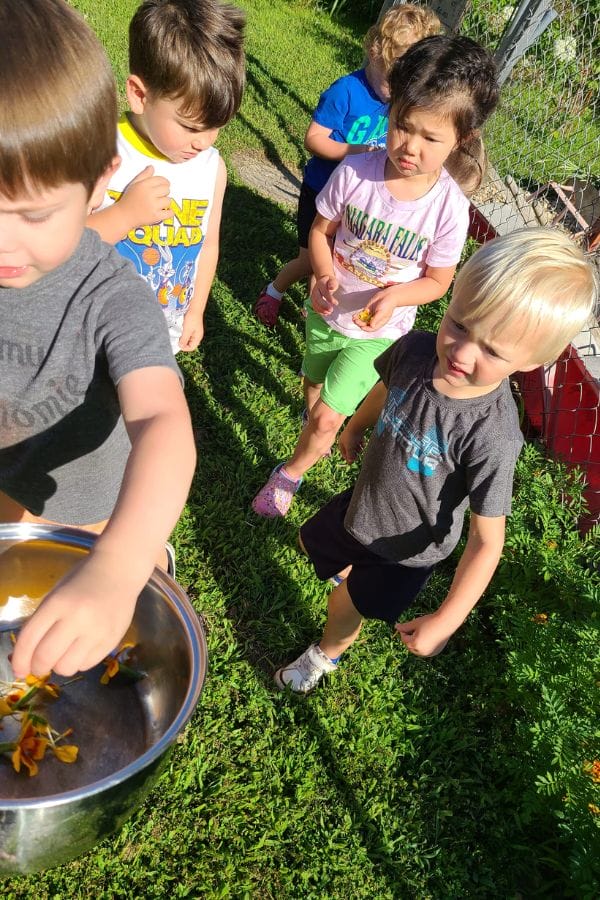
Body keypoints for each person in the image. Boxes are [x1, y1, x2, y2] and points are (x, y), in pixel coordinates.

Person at [273, 228, 598, 692]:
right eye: (460, 324)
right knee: (310, 544)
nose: (461, 352)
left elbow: (487, 541)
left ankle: (325, 654)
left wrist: (446, 620)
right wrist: (357, 426)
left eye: (492, 350)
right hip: (361, 505)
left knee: (343, 607)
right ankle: (347, 573)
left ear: (532, 361)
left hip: (407, 553)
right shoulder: (415, 350)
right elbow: (386, 387)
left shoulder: (493, 434)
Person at [0, 0, 196, 679]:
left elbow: (164, 422)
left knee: (89, 651)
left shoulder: (111, 297)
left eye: (34, 215)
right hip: (10, 486)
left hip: (92, 514)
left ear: (98, 180)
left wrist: (119, 564)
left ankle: (151, 560)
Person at [252, 34, 499, 518]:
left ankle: (290, 473)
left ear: (462, 138)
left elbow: (438, 281)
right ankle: (314, 416)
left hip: (377, 332)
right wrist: (323, 272)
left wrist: (395, 298)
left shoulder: (449, 210)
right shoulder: (355, 172)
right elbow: (321, 231)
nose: (409, 147)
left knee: (328, 418)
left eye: (430, 138)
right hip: (327, 311)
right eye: (402, 126)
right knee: (313, 379)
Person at [254, 3, 442, 327]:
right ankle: (274, 290)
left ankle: (317, 308)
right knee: (310, 258)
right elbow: (314, 138)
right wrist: (355, 151)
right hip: (322, 189)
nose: (396, 91)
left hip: (357, 200)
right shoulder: (346, 91)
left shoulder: (400, 102)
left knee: (335, 259)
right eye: (392, 79)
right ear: (374, 52)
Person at [89, 0, 246, 354]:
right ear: (139, 95)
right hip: (92, 336)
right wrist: (123, 215)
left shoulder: (211, 168)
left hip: (160, 337)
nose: (205, 141)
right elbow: (60, 244)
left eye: (217, 126)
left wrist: (196, 310)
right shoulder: (100, 151)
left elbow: (208, 245)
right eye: (191, 126)